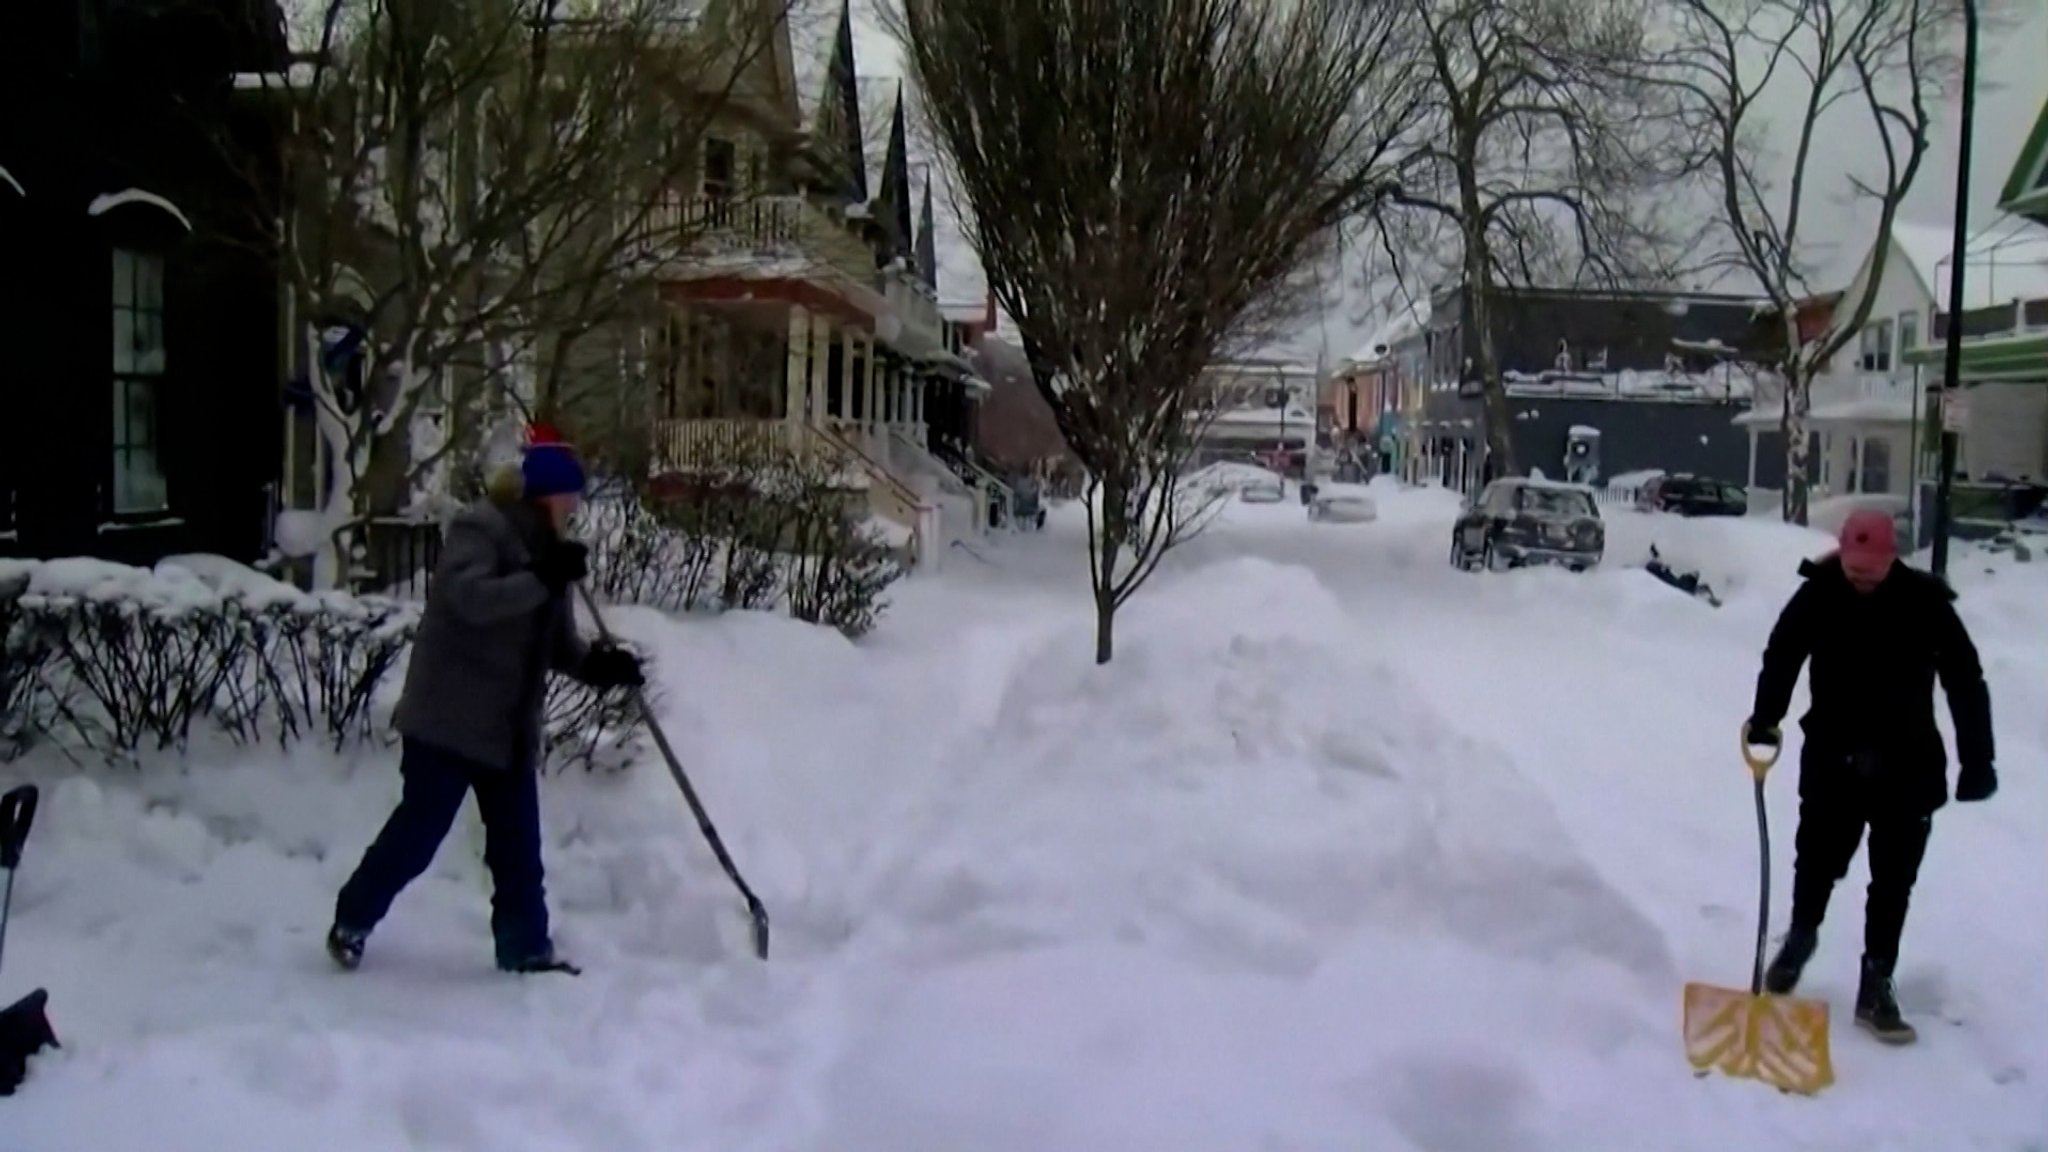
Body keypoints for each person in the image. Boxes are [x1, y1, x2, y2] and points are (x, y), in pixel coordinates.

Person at [326, 429, 645, 975]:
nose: (575, 507)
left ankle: (525, 949)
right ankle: (351, 921)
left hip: (508, 727)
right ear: (546, 493)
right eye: (570, 495)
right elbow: (472, 600)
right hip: (448, 720)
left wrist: (598, 667)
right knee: (418, 835)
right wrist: (541, 578)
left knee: (518, 850)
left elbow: (558, 646)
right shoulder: (482, 530)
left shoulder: (553, 557)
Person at [1742, 509, 1995, 1043]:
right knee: (1816, 860)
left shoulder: (1926, 602)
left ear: (1891, 557)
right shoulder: (1818, 593)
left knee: (1893, 881)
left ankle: (1876, 980)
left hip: (1909, 766)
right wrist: (1766, 717)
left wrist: (1978, 761)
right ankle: (1801, 938)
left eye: (1871, 570)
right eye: (1853, 568)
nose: (1860, 578)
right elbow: (1783, 654)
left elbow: (1965, 680)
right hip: (1834, 759)